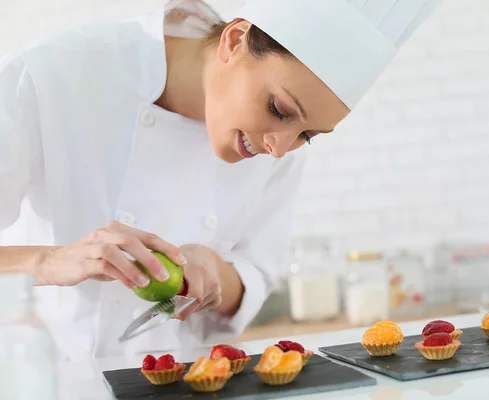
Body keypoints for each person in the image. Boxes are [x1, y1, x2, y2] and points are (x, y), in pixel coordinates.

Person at [0, 0, 442, 361]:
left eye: (307, 134)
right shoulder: (58, 76)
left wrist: (214, 273)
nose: (279, 148)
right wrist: (50, 261)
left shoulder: (278, 144)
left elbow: (254, 275)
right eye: (280, 110)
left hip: (178, 380)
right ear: (234, 40)